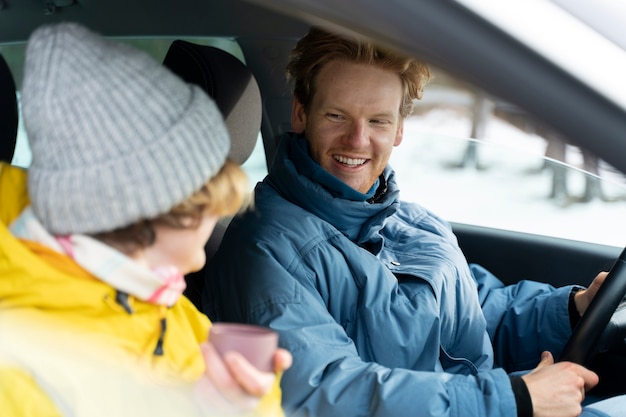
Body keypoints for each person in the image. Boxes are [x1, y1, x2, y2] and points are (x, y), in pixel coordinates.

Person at [204, 27, 626, 417]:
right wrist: (510, 399)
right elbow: (324, 392)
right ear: (300, 115)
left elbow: (481, 317)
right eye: (337, 116)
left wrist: (573, 310)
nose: (357, 139)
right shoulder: (265, 249)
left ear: (400, 130)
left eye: (378, 121)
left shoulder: (414, 222)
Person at [0, 22, 292, 416]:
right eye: (203, 219)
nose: (198, 261)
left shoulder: (169, 307)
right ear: (149, 212)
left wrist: (240, 403)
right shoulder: (17, 364)